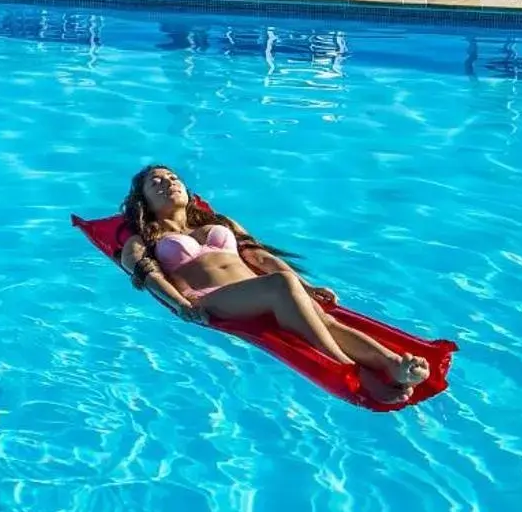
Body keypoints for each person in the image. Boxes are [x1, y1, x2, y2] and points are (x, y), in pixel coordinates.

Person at [116, 165, 429, 403]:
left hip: (257, 290)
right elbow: (147, 274)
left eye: (173, 178)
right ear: (144, 202)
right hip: (209, 298)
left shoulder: (219, 223)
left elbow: (262, 258)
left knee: (322, 317)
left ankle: (391, 363)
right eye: (155, 183)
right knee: (280, 285)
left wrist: (305, 288)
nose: (167, 183)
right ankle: (349, 370)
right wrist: (182, 305)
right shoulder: (144, 239)